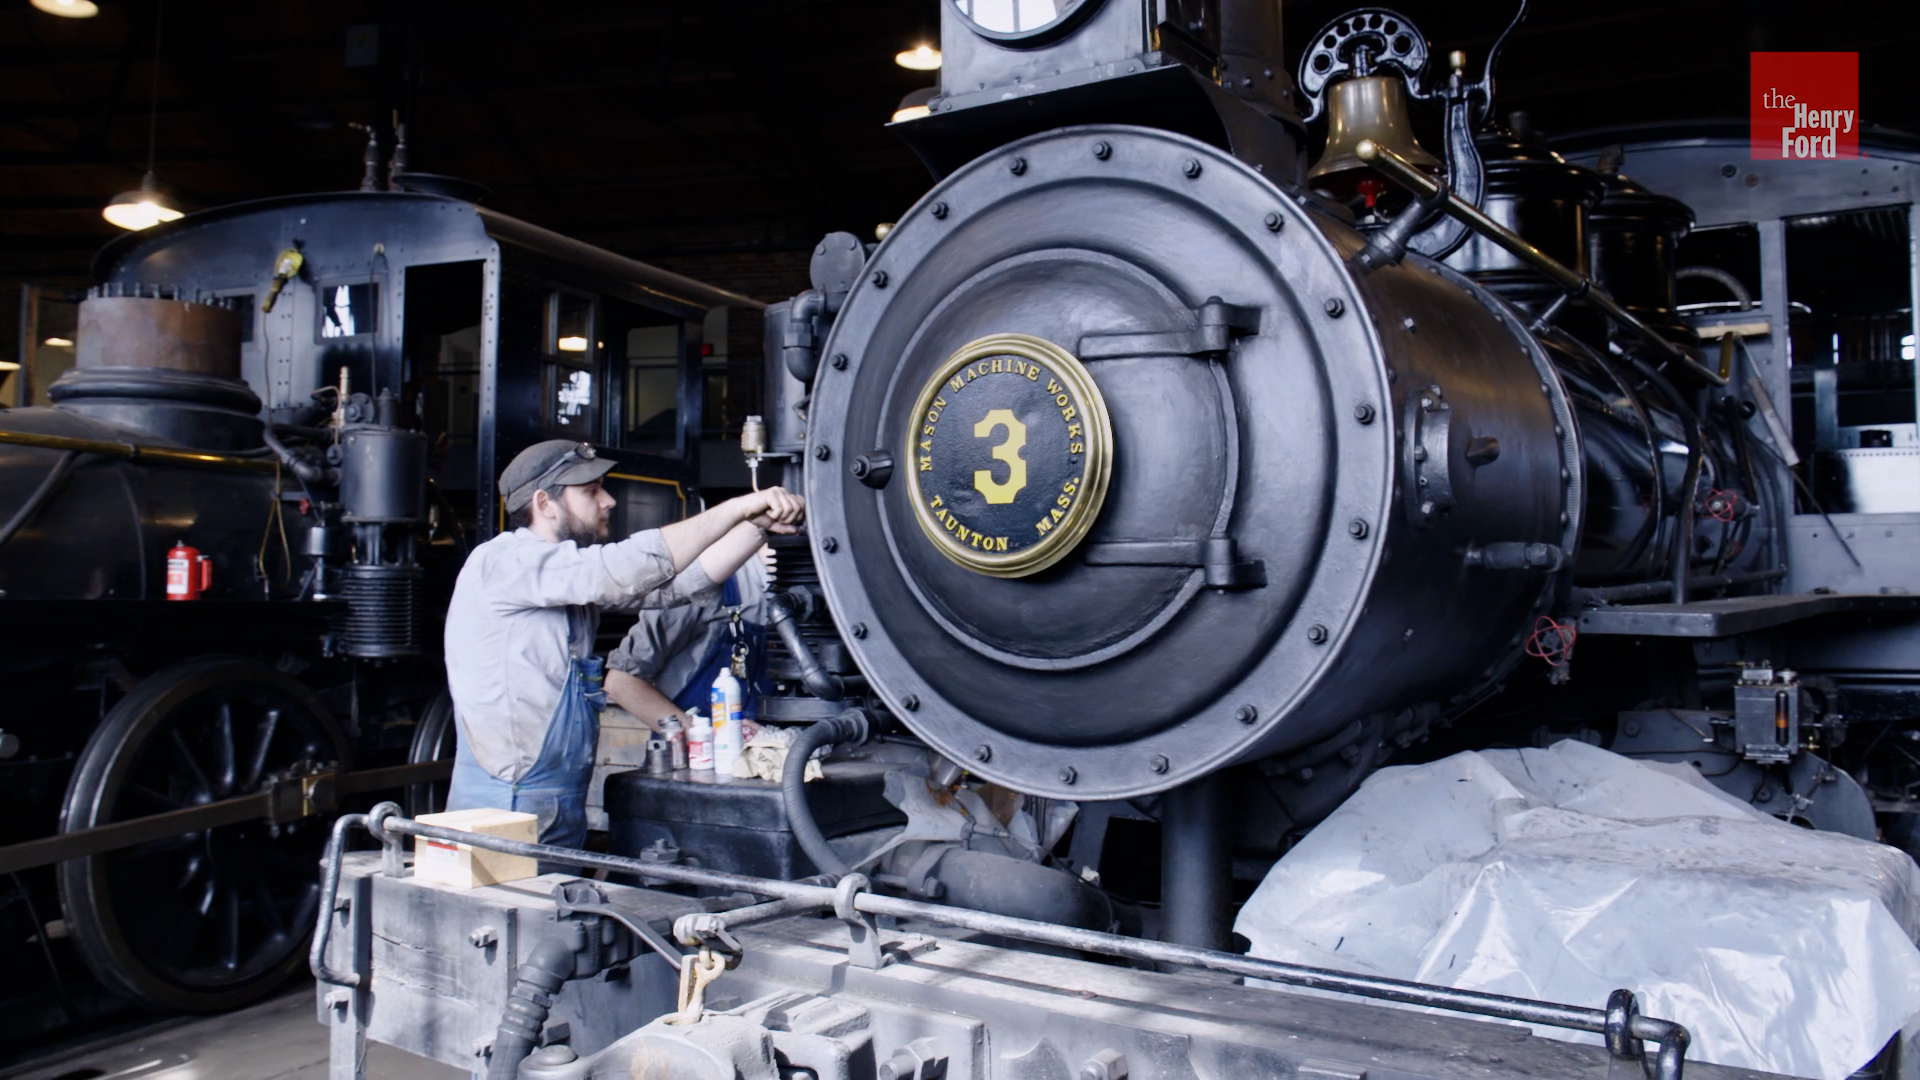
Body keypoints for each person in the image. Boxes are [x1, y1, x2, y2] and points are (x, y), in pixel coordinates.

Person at [442, 439, 802, 847]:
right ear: (545, 504)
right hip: (504, 805)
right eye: (591, 491)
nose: (608, 500)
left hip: (558, 800)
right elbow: (626, 567)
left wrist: (756, 528)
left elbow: (673, 588)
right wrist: (737, 508)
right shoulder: (504, 562)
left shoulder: (566, 581)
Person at [604, 544, 772, 731]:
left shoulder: (793, 588)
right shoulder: (703, 580)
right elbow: (621, 683)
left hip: (768, 744)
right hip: (696, 746)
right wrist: (701, 735)